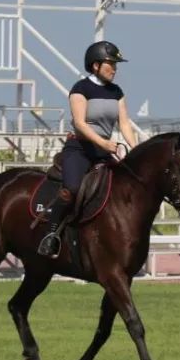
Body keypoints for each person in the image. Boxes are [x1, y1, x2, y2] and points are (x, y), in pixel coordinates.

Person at [37, 41, 138, 257]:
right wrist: (104, 143)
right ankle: (51, 235)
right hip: (79, 149)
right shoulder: (80, 89)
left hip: (104, 151)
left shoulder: (116, 92)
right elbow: (80, 124)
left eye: (115, 64)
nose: (115, 68)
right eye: (111, 63)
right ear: (95, 65)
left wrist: (136, 149)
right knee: (71, 189)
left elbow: (125, 123)